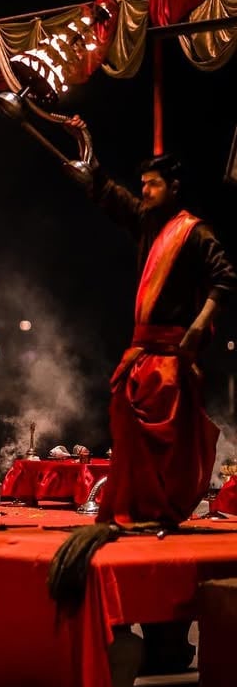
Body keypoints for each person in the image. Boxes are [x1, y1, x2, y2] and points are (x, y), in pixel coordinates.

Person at [67, 117, 235, 528]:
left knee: (165, 444)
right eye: (143, 184)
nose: (145, 191)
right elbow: (110, 194)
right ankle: (135, 511)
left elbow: (226, 278)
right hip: (141, 352)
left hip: (170, 356)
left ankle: (161, 512)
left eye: (153, 185)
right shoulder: (145, 222)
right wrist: (85, 148)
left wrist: (200, 325)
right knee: (129, 435)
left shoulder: (195, 233)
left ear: (174, 188)